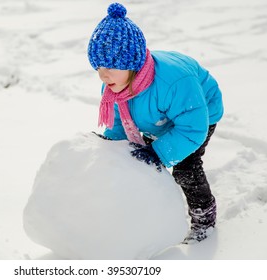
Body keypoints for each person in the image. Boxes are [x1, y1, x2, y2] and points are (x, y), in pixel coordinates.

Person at [88, 3, 224, 244]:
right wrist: (112, 150)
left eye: (109, 67)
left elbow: (193, 129)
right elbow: (119, 124)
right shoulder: (113, 87)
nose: (102, 75)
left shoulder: (173, 82)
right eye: (97, 67)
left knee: (185, 168)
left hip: (198, 115)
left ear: (132, 64)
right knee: (136, 159)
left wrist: (158, 152)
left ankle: (204, 220)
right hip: (157, 118)